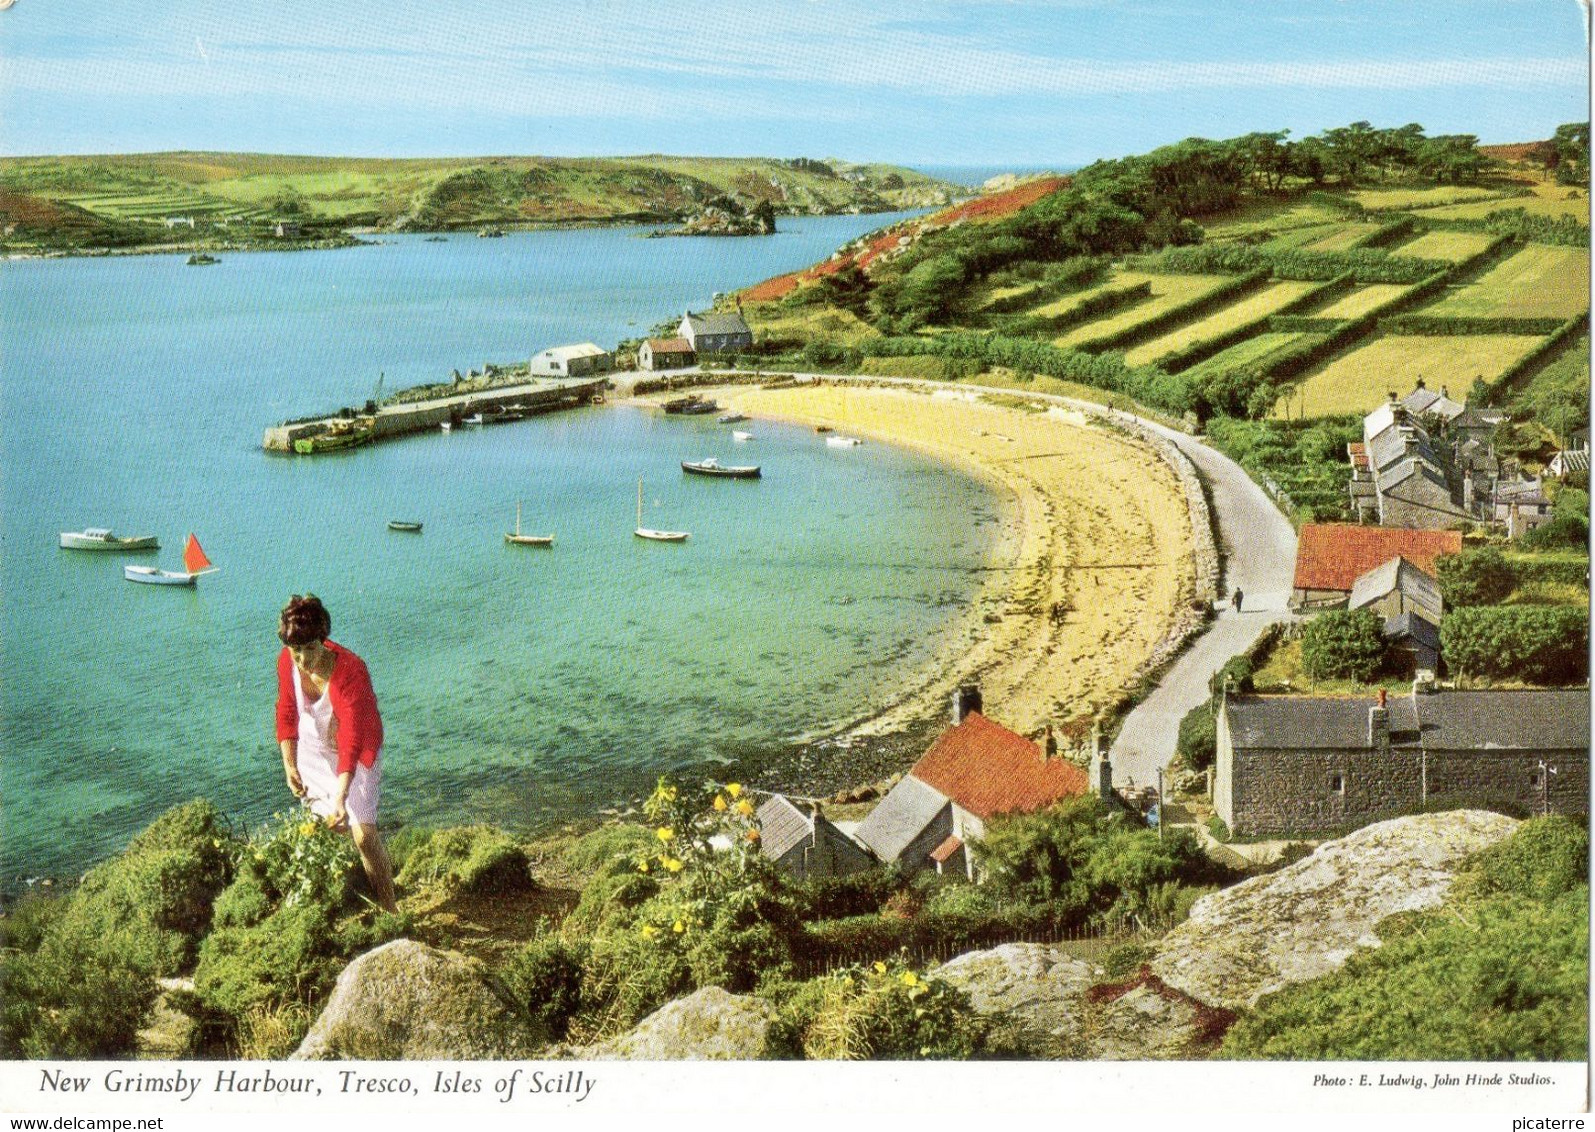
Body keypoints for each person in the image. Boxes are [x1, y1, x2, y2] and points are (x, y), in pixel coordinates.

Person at [274, 594, 398, 913]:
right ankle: (342, 898)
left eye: (310, 648)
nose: (302, 658)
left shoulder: (351, 671)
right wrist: (289, 765)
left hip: (357, 753)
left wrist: (341, 796)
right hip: (314, 750)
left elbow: (352, 739)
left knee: (364, 836)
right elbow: (287, 712)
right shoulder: (287, 661)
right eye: (295, 650)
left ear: (323, 640)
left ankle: (390, 909)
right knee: (320, 828)